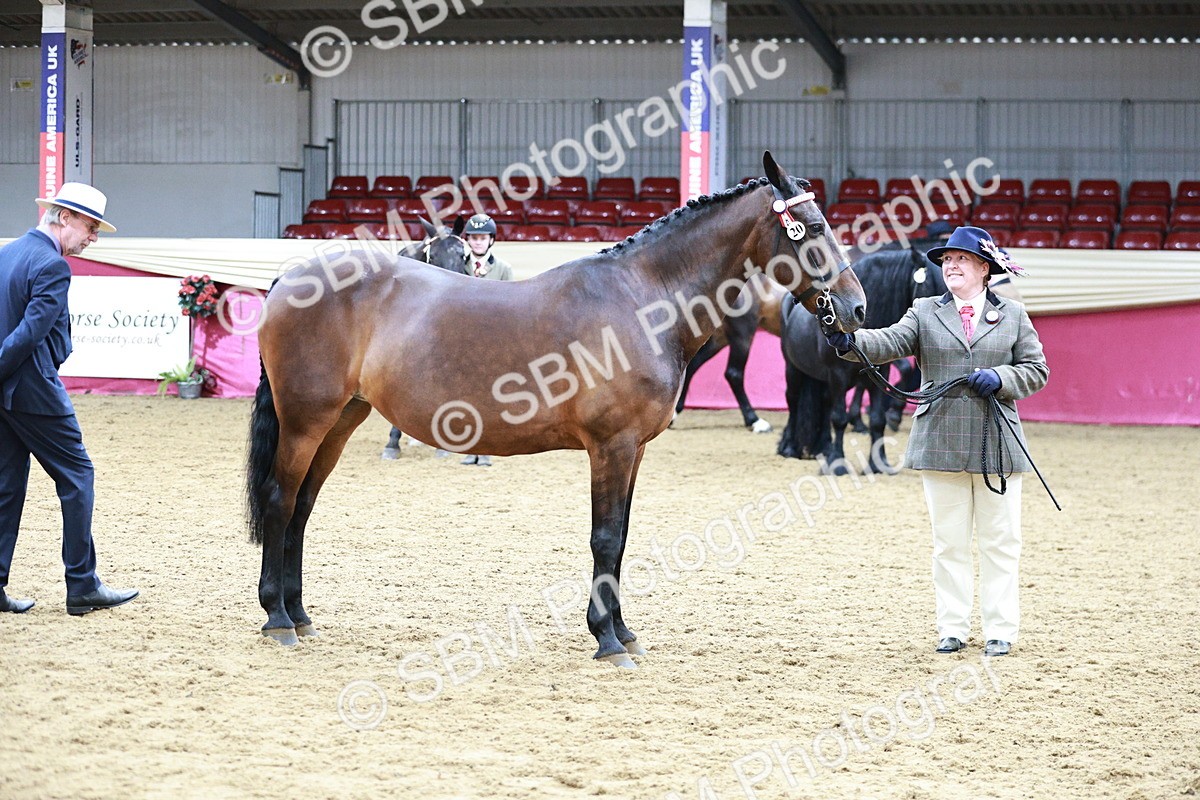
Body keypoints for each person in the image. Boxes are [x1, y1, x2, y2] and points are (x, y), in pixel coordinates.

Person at [826, 225, 1047, 657]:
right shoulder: (924, 310)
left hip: (996, 440)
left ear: (984, 268)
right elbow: (888, 340)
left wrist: (1001, 377)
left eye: (960, 260)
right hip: (940, 439)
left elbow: (1037, 370)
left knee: (1000, 542)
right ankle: (953, 627)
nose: (951, 266)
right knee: (948, 544)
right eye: (946, 261)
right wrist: (849, 341)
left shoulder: (1014, 315)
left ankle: (1000, 629)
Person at [0, 182, 139, 615]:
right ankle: (82, 585)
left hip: (7, 395)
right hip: (34, 391)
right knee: (78, 477)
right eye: (90, 227)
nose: (93, 237)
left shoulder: (7, 254)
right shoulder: (53, 266)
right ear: (64, 218)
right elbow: (28, 336)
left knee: (6, 487)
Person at [459, 212, 513, 467]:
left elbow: (507, 305)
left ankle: (487, 447)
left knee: (490, 397)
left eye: (482, 238)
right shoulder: (458, 265)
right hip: (462, 338)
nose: (478, 242)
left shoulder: (503, 269)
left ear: (491, 240)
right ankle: (471, 447)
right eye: (474, 238)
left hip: (492, 339)